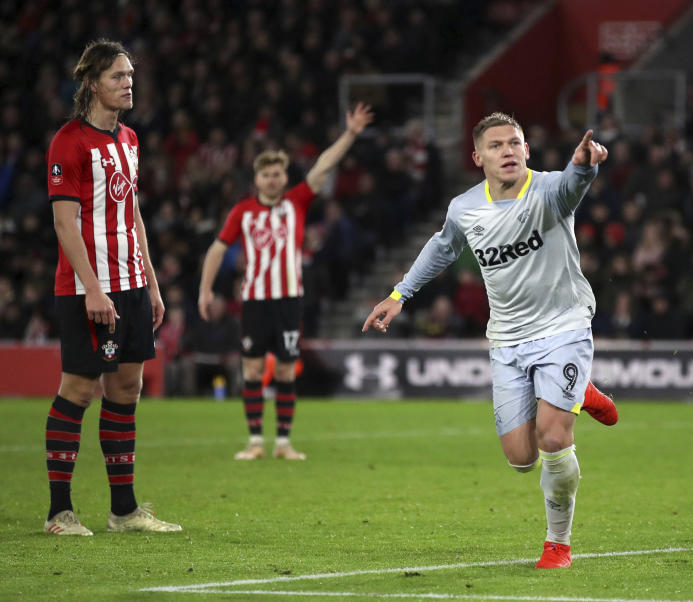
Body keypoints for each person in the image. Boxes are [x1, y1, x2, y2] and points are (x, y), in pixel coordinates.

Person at [362, 113, 619, 569]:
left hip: (563, 327)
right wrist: (399, 295)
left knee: (553, 437)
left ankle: (558, 544)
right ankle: (581, 393)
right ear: (478, 157)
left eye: (515, 143)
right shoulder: (465, 208)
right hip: (506, 339)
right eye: (497, 145)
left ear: (527, 150)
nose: (508, 151)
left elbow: (573, 186)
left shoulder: (548, 190)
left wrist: (583, 166)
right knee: (521, 458)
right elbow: (442, 247)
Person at [44, 39, 180, 535]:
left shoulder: (129, 140)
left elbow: (133, 216)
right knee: (79, 388)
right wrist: (94, 288)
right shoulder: (68, 142)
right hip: (86, 289)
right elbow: (65, 223)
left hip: (131, 285)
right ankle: (60, 512)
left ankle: (123, 511)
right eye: (118, 76)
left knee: (127, 387)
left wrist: (153, 283)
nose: (128, 83)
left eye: (130, 75)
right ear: (92, 84)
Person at [199, 102, 374, 461]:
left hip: (289, 300)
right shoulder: (242, 211)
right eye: (267, 175)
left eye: (278, 174)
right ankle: (254, 442)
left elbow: (324, 164)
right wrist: (205, 289)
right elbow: (217, 249)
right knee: (250, 368)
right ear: (257, 180)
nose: (273, 180)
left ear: (284, 176)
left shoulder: (297, 201)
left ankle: (282, 443)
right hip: (255, 301)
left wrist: (351, 134)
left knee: (283, 369)